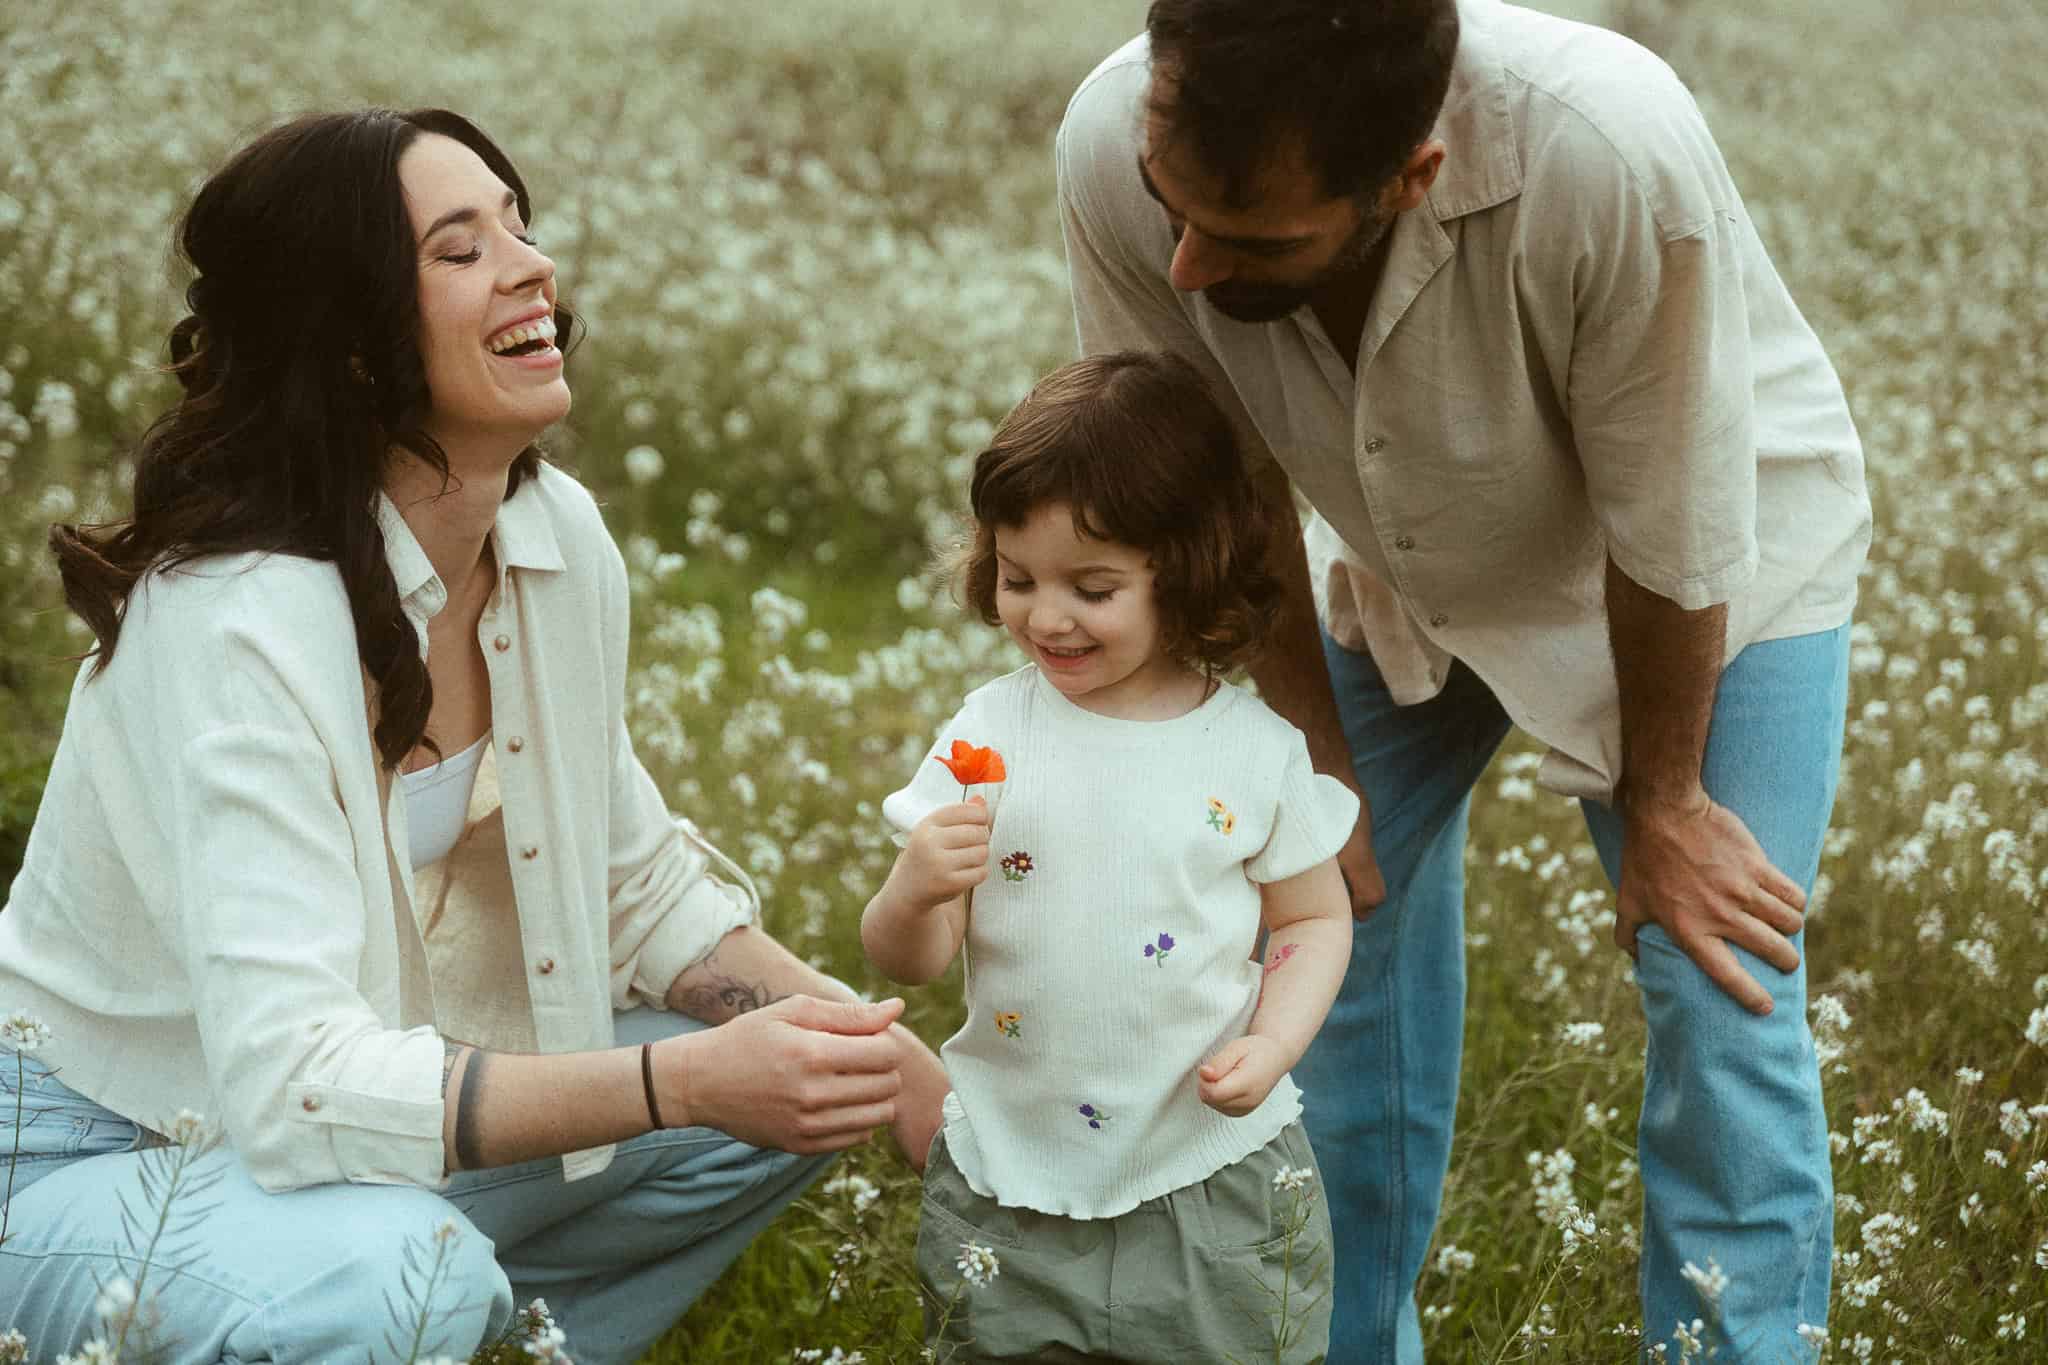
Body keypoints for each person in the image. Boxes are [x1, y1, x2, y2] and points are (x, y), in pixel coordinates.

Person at [0, 107, 947, 1364]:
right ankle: (403, 1311)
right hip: (105, 1157)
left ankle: (482, 1338)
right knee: (409, 1269)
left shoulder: (554, 540)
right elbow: (293, 1085)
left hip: (311, 1155)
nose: (531, 266)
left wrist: (886, 1057)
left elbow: (635, 891)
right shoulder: (235, 621)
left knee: (800, 1087)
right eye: (461, 249)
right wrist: (676, 1084)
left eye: (519, 226)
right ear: (350, 344)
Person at [1055, 1, 1870, 1359]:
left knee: (1713, 972)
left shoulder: (1610, 150)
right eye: (1170, 205)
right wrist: (1313, 768)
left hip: (1712, 571)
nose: (1188, 262)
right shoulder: (1110, 140)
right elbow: (1214, 480)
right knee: (1311, 929)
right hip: (1408, 560)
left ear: (1409, 177)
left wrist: (1666, 800)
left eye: (1254, 239)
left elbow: (1670, 514)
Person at [862, 350, 1359, 1363]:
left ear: (1185, 571)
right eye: (1017, 578)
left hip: (1207, 1173)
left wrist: (1274, 1042)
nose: (1046, 616)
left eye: (1092, 588)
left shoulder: (1252, 751)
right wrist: (912, 890)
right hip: (1011, 1173)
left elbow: (1312, 916)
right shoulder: (986, 735)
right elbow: (911, 958)